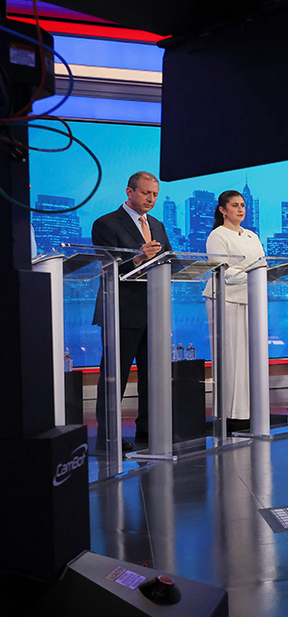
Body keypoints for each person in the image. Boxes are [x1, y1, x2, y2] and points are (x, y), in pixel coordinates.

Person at [91, 171, 173, 450]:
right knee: (115, 377)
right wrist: (139, 257)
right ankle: (108, 438)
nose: (151, 199)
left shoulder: (158, 225)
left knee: (153, 377)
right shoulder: (105, 223)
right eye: (145, 193)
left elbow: (167, 260)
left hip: (154, 311)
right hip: (121, 311)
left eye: (155, 194)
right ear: (129, 192)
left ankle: (149, 432)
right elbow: (107, 263)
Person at [203, 190, 265, 430]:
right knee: (231, 356)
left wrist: (256, 273)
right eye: (235, 205)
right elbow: (221, 269)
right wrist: (249, 273)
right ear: (222, 210)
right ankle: (230, 412)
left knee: (250, 357)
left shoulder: (251, 235)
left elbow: (261, 264)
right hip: (226, 300)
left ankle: (250, 409)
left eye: (243, 205)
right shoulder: (217, 235)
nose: (241, 209)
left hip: (252, 299)